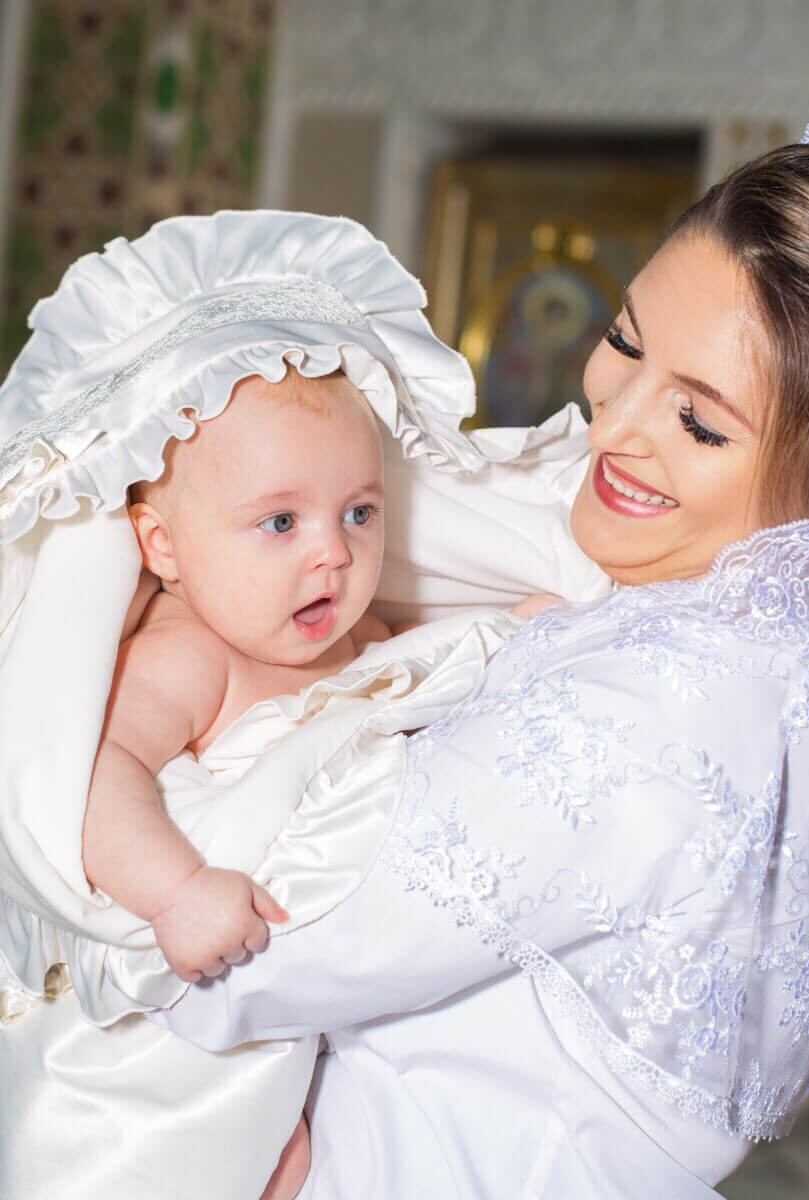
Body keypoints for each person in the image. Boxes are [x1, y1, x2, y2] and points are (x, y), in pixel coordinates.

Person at [145, 123, 809, 1197]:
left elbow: (231, 962)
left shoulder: (667, 707)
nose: (617, 424)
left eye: (700, 422)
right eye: (628, 337)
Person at [0, 212, 607, 1199]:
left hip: (281, 1067)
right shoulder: (189, 655)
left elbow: (421, 681)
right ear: (161, 547)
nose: (332, 552)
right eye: (279, 521)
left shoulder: (356, 639)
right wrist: (174, 891)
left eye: (358, 513)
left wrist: (513, 636)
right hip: (134, 1083)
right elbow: (99, 781)